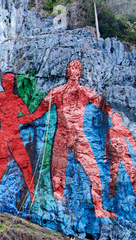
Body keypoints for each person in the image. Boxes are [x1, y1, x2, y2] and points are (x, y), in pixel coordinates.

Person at [19, 60, 116, 219]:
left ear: (80, 73)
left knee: (94, 173)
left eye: (77, 68)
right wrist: (24, 120)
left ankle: (99, 208)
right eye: (71, 66)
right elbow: (39, 111)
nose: (74, 69)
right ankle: (57, 205)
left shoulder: (85, 92)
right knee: (58, 172)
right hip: (61, 136)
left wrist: (112, 115)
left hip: (79, 136)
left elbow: (102, 104)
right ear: (67, 71)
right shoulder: (56, 92)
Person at [0, 73, 35, 210]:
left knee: (26, 165)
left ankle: (33, 195)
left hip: (15, 137)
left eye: (10, 81)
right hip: (2, 137)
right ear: (3, 83)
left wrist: (19, 119)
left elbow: (28, 116)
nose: (7, 83)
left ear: (13, 83)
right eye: (5, 81)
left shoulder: (17, 99)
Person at [105, 112, 136, 197]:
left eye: (117, 118)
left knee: (130, 170)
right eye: (114, 119)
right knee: (113, 174)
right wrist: (106, 156)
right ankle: (112, 191)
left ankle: (135, 187)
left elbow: (131, 140)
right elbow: (107, 144)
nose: (116, 120)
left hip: (124, 153)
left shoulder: (124, 129)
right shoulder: (110, 131)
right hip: (115, 155)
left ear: (120, 120)